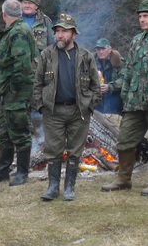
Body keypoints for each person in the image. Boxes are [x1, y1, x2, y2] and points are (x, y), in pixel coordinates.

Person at [101, 0, 148, 196]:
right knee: (125, 139)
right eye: (140, 16)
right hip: (135, 101)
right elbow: (128, 70)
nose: (141, 20)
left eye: (146, 16)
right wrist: (125, 95)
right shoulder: (137, 40)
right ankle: (123, 179)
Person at [32, 13, 102, 201]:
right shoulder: (46, 55)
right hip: (53, 111)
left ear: (73, 34)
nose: (59, 35)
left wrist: (90, 104)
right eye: (57, 31)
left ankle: (70, 187)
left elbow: (96, 85)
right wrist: (41, 106)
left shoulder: (86, 56)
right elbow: (37, 83)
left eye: (64, 31)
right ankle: (53, 187)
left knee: (75, 150)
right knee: (53, 150)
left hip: (78, 111)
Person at [0, 0, 37, 186]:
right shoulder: (12, 31)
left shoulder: (19, 32)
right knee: (4, 131)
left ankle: (22, 172)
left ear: (4, 14)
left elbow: (22, 67)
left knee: (20, 130)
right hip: (7, 92)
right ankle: (2, 171)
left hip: (16, 92)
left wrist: (11, 89)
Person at [94, 38, 123, 115]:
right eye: (98, 49)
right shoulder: (91, 63)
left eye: (103, 49)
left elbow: (125, 79)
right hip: (97, 101)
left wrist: (110, 86)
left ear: (109, 49)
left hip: (115, 101)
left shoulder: (119, 62)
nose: (101, 51)